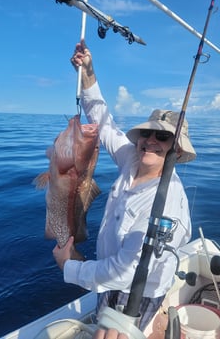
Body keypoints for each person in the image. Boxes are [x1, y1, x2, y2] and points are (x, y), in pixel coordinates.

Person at [53, 40, 196, 331]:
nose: (152, 140)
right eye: (147, 132)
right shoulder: (132, 157)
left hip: (137, 291)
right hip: (109, 275)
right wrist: (88, 73)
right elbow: (103, 123)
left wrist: (70, 266)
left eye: (163, 137)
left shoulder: (169, 204)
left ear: (176, 150)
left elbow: (125, 272)